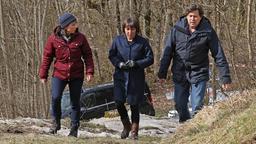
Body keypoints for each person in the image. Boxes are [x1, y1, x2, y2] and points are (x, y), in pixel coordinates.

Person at [158, 4, 231, 123]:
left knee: (196, 105)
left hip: (199, 71)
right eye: (190, 16)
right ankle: (186, 124)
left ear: (201, 17)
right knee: (180, 105)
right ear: (186, 16)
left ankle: (195, 128)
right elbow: (167, 52)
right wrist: (162, 73)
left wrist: (225, 77)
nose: (193, 19)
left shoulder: (207, 31)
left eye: (195, 16)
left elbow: (218, 54)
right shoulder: (177, 30)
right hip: (180, 71)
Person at [39, 12, 94, 137]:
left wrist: (89, 71)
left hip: (76, 74)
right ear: (65, 27)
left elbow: (88, 55)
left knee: (75, 102)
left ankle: (74, 129)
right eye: (73, 24)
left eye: (75, 24)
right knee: (55, 97)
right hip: (59, 74)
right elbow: (47, 57)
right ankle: (55, 123)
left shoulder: (81, 38)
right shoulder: (53, 39)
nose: (76, 26)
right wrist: (43, 75)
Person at [108, 17, 154, 140]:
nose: (130, 32)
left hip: (136, 78)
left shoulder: (143, 42)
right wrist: (119, 64)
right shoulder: (117, 41)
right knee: (118, 102)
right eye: (127, 29)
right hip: (120, 77)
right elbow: (111, 55)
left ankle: (134, 131)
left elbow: (150, 58)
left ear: (136, 29)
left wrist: (137, 63)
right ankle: (126, 125)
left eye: (132, 29)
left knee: (134, 104)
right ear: (124, 29)